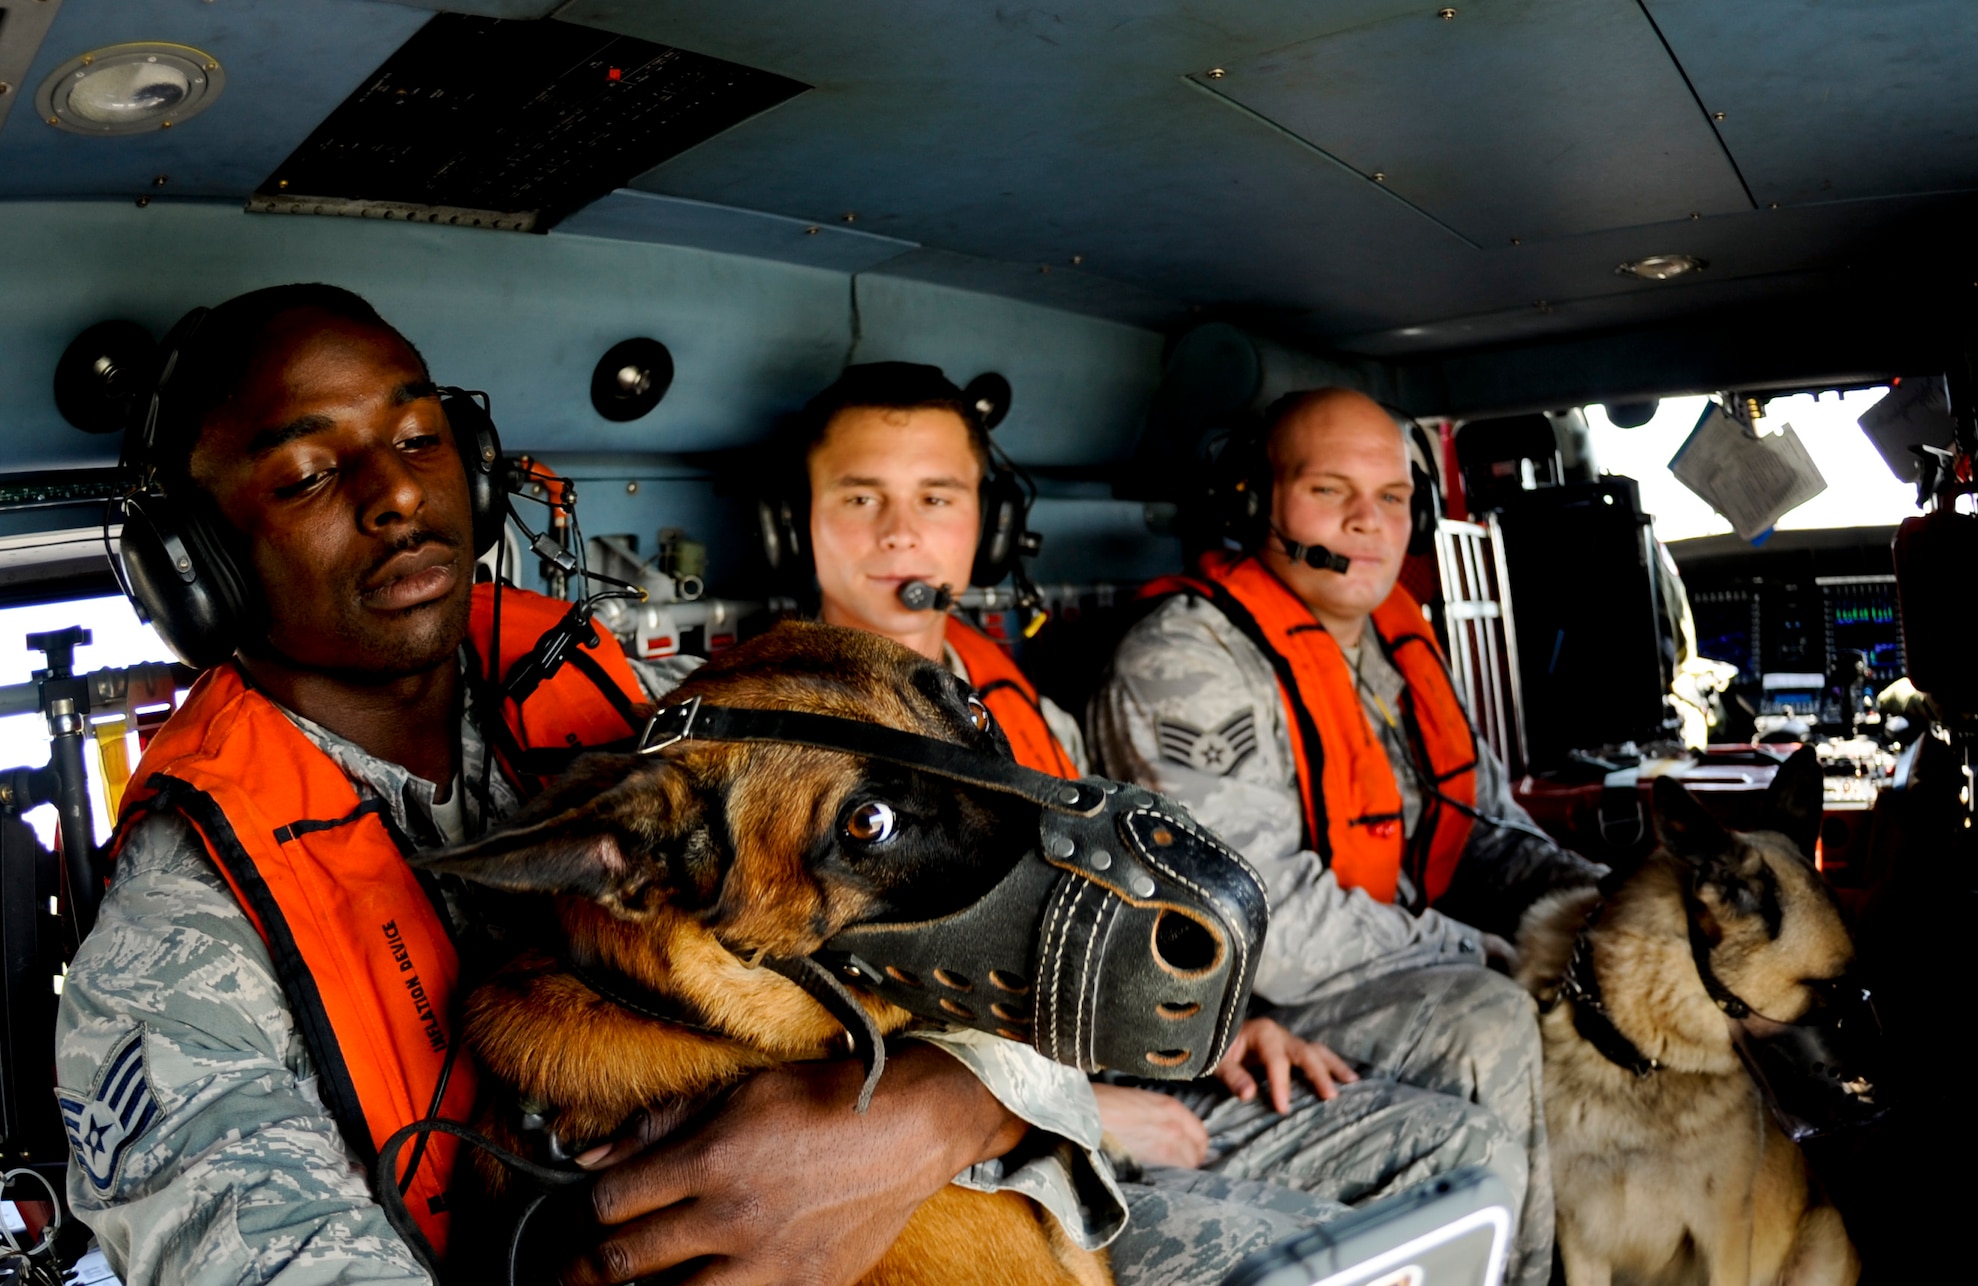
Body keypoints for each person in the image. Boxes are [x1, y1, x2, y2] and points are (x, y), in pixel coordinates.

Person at [53, 287, 1128, 1286]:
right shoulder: (174, 949)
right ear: (194, 562)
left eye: (419, 439)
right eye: (307, 474)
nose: (394, 492)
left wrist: (938, 1111)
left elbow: (1029, 976)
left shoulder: (679, 714)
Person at [779, 363, 1532, 1278]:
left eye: (937, 497)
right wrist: (1063, 1101)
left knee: (1462, 1145)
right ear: (794, 524)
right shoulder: (778, 745)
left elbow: (1109, 902)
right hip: (967, 1153)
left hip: (1105, 1081)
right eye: (862, 498)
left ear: (991, 526)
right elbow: (810, 1029)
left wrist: (1212, 1024)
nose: (902, 533)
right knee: (1306, 1255)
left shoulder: (1015, 710)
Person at [1089, 388, 1610, 1286]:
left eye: (1394, 497)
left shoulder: (1395, 650)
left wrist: (1605, 906)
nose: (1368, 523)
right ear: (1259, 505)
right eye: (1330, 491)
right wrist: (1483, 950)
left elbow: (1483, 831)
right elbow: (1265, 926)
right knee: (1487, 1015)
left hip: (1370, 961)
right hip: (1241, 998)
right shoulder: (1185, 661)